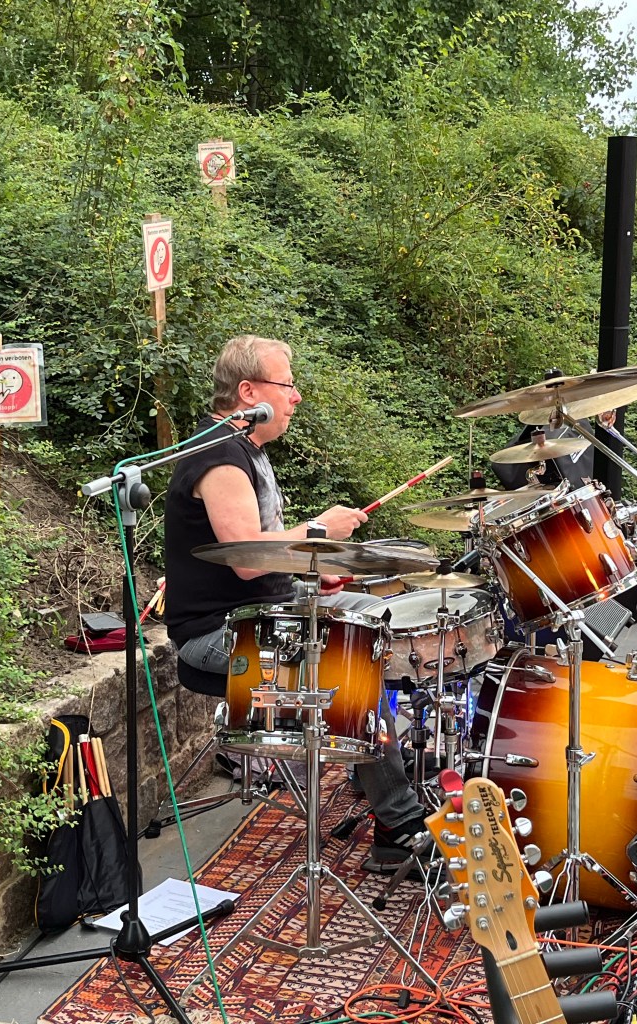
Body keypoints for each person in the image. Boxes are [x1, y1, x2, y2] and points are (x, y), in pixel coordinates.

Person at [164, 333, 427, 868]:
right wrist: (317, 530)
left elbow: (260, 562)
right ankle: (398, 826)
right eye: (287, 384)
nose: (296, 396)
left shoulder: (245, 449)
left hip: (257, 617)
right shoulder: (220, 456)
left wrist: (309, 576)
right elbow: (245, 558)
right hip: (218, 635)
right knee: (352, 664)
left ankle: (372, 771)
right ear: (248, 392)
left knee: (374, 624)